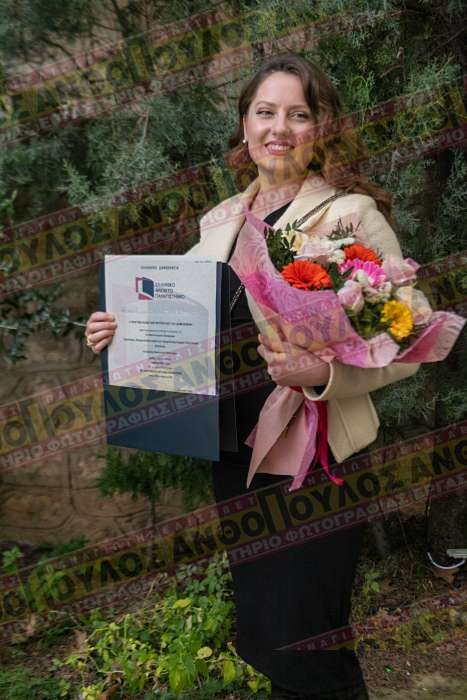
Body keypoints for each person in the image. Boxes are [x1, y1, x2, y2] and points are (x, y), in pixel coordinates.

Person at [85, 55, 420, 699]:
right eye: (265, 112)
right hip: (236, 457)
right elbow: (181, 317)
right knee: (266, 638)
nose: (279, 128)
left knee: (307, 642)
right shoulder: (220, 220)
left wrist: (324, 370)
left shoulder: (351, 216)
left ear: (322, 127)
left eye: (298, 114)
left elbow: (407, 336)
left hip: (317, 460)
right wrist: (119, 330)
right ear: (245, 125)